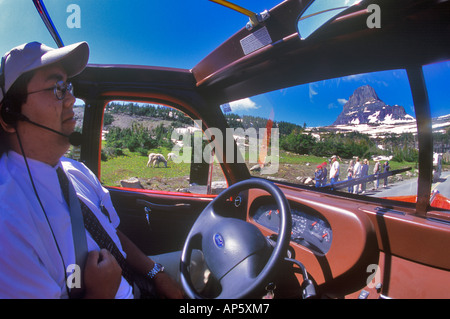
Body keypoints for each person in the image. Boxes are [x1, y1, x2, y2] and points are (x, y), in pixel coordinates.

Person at [0, 42, 190, 299]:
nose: (71, 99)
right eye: (57, 88)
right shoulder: (9, 223)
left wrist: (157, 274)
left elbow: (112, 233)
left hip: (142, 283)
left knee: (200, 257)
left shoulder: (75, 170)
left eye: (68, 87)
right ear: (10, 116)